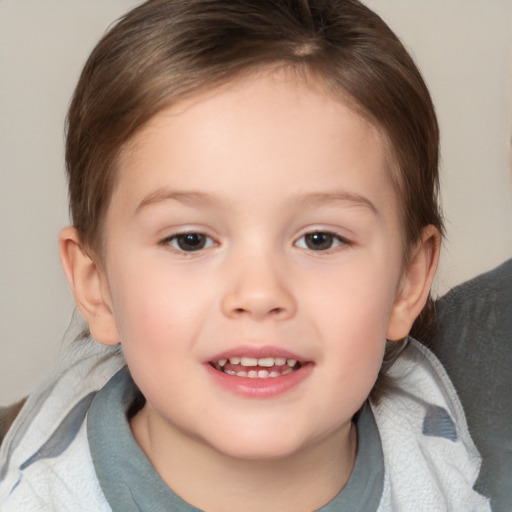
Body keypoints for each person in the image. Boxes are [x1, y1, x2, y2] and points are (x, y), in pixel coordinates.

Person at [0, 0, 492, 510]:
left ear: (408, 282)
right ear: (95, 284)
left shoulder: (444, 468)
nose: (259, 294)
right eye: (190, 240)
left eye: (320, 239)